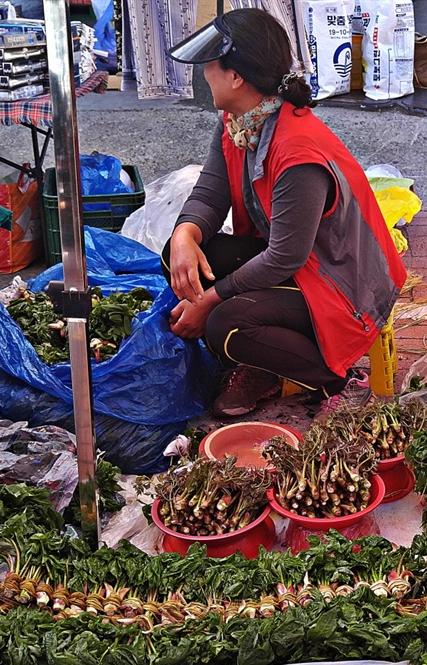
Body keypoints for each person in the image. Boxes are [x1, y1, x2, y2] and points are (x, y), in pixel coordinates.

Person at [163, 9, 406, 417]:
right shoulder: (237, 122)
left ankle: (339, 380)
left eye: (211, 65)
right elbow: (210, 192)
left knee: (226, 323)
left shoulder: (297, 152)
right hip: (300, 264)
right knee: (182, 262)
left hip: (343, 283)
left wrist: (211, 300)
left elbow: (285, 257)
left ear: (236, 77)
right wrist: (184, 236)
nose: (204, 74)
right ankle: (265, 366)